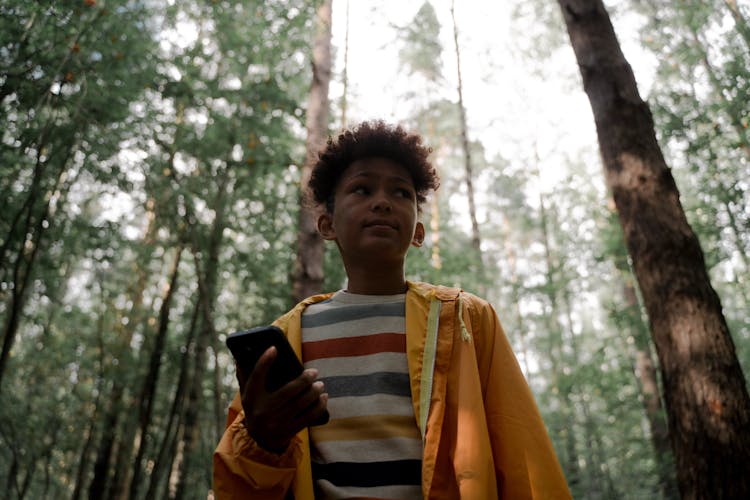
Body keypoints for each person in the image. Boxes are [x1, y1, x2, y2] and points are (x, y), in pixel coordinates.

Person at [213, 121, 571, 499]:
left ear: (418, 231)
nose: (382, 201)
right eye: (361, 189)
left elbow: (523, 455)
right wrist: (264, 440)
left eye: (401, 192)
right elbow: (236, 484)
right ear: (327, 224)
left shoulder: (465, 320)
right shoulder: (287, 337)